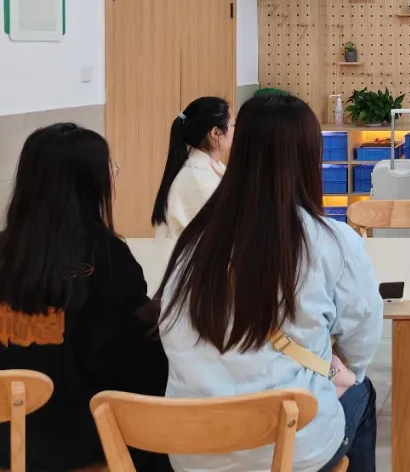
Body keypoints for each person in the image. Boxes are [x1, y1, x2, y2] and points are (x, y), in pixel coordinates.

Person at [158, 94, 383, 472]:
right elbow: (363, 334)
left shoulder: (194, 243)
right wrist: (344, 370)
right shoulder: (333, 241)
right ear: (309, 159)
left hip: (194, 451)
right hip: (292, 447)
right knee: (361, 392)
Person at [0, 124, 168, 472]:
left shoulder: (5, 250)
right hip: (81, 445)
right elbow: (132, 368)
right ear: (91, 184)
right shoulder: (108, 259)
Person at [151, 96, 232, 238]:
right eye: (233, 125)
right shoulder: (198, 179)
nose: (236, 130)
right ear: (215, 133)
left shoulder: (210, 167)